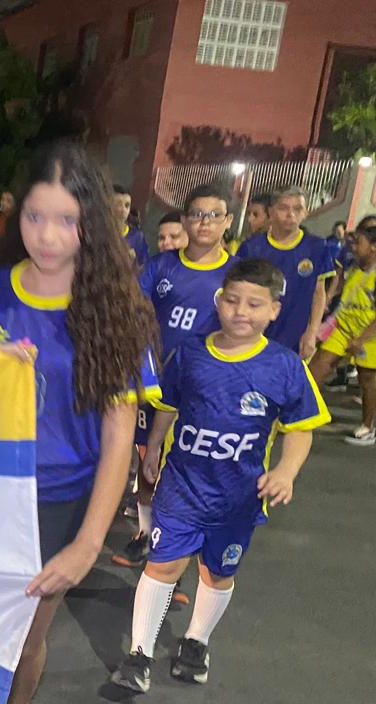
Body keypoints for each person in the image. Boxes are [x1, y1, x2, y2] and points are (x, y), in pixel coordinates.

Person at [0, 141, 160, 704]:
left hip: (56, 504)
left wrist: (88, 544)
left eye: (67, 220)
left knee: (24, 637)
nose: (47, 236)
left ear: (93, 223)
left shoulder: (117, 309)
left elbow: (119, 435)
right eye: (34, 217)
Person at [110, 258, 329, 693]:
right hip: (182, 487)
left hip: (238, 497)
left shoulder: (285, 366)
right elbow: (168, 404)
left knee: (217, 573)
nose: (240, 311)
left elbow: (300, 428)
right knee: (163, 564)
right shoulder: (189, 354)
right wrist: (154, 446)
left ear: (274, 310)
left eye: (254, 304)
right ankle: (139, 655)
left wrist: (285, 471)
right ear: (219, 301)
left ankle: (196, 641)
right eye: (232, 300)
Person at [113, 185, 235, 571]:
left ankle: (176, 554)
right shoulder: (161, 267)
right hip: (157, 384)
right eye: (197, 214)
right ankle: (146, 534)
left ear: (228, 222)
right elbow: (133, 311)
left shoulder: (235, 274)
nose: (205, 222)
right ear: (185, 220)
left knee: (188, 470)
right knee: (148, 461)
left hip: (204, 390)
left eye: (214, 215)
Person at [235, 186, 335, 359]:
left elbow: (318, 293)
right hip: (253, 334)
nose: (291, 214)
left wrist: (312, 332)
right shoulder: (251, 247)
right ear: (271, 212)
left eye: (298, 208)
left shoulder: (316, 247)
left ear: (306, 212)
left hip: (295, 338)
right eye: (283, 208)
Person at [309, 217, 376, 445]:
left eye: (359, 243)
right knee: (317, 367)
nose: (354, 247)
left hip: (369, 335)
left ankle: (368, 427)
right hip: (343, 328)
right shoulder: (355, 269)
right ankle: (304, 413)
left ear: (373, 247)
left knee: (368, 380)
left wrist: (361, 339)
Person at [112, 185, 150, 269]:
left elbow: (145, 267)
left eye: (127, 205)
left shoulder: (138, 237)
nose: (123, 210)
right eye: (118, 204)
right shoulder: (98, 233)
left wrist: (133, 262)